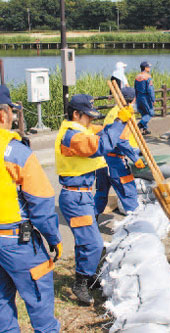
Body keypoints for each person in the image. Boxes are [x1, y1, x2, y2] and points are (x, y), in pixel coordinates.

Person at [55, 94, 133, 305]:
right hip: (75, 196)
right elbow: (100, 146)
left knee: (86, 242)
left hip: (81, 195)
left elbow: (103, 134)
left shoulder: (80, 130)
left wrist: (116, 124)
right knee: (93, 243)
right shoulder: (72, 136)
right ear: (76, 114)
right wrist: (119, 122)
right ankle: (80, 282)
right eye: (88, 116)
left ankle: (88, 278)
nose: (91, 120)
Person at [0, 85, 62, 332]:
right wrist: (53, 239)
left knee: (2, 305)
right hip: (17, 243)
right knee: (39, 301)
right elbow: (42, 204)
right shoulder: (16, 152)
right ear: (3, 115)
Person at [94, 87, 146, 220]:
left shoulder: (114, 111)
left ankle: (91, 221)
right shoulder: (123, 115)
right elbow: (121, 141)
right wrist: (135, 158)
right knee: (128, 192)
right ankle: (135, 223)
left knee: (101, 193)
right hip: (115, 160)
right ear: (134, 99)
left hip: (102, 161)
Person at [134, 61, 155, 135]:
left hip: (139, 96)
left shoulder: (137, 77)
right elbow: (150, 89)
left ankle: (145, 129)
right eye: (148, 67)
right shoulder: (148, 77)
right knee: (150, 113)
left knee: (143, 113)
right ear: (145, 68)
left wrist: (135, 98)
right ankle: (140, 124)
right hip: (146, 97)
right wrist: (153, 99)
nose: (149, 68)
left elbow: (135, 88)